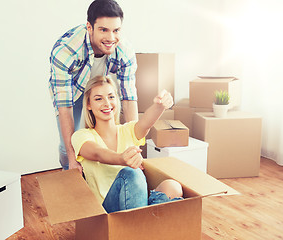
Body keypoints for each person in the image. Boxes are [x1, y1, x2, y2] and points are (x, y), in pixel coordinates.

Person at [49, 0, 138, 173]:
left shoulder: (124, 50)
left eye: (116, 30)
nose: (111, 38)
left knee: (103, 134)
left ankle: (99, 175)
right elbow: (64, 107)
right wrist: (72, 159)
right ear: (89, 27)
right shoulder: (65, 51)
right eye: (103, 29)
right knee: (68, 142)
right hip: (72, 90)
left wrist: (134, 151)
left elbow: (129, 99)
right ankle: (68, 168)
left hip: (99, 87)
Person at [71, 76, 183, 213]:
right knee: (132, 172)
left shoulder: (128, 130)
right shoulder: (81, 135)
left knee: (172, 187)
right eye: (98, 99)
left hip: (135, 204)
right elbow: (97, 153)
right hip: (107, 210)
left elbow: (147, 122)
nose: (107, 103)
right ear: (88, 105)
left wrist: (160, 106)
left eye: (111, 97)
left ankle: (144, 224)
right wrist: (121, 159)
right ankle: (143, 225)